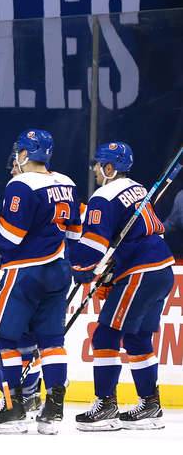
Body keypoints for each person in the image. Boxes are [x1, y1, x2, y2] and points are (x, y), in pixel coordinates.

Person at [0, 129, 78, 435]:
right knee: (51, 341)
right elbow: (73, 234)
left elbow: (11, 236)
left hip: (25, 274)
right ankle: (53, 409)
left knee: (4, 338)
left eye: (18, 152)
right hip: (59, 271)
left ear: (25, 154)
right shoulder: (67, 183)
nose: (16, 157)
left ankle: (13, 408)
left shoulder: (21, 184)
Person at [70, 142, 175, 431]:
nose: (93, 169)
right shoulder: (138, 188)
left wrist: (75, 265)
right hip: (162, 268)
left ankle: (105, 405)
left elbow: (93, 247)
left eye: (98, 164)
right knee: (137, 338)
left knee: (104, 336)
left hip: (141, 272)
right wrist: (110, 275)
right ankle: (150, 404)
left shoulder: (103, 196)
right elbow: (130, 237)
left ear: (109, 168)